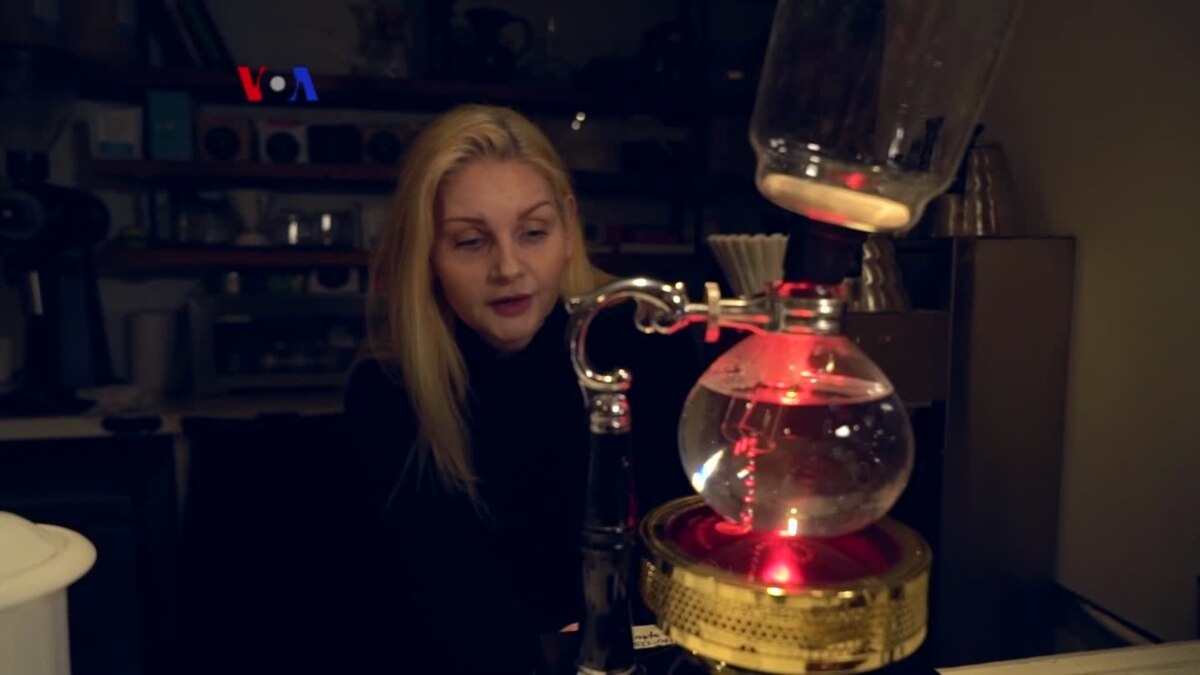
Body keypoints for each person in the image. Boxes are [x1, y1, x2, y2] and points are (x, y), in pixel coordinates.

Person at [338, 104, 701, 674]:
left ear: (568, 229)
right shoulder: (389, 390)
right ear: (427, 254)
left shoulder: (642, 343)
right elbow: (442, 598)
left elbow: (684, 544)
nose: (508, 267)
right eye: (470, 241)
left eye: (533, 233)